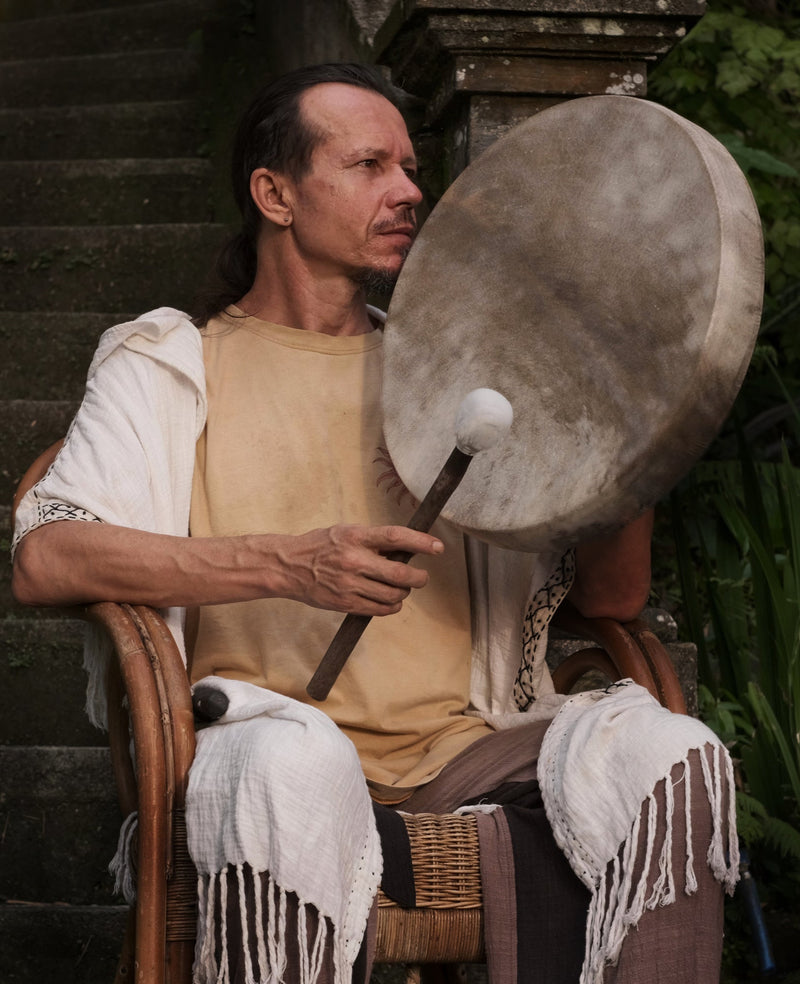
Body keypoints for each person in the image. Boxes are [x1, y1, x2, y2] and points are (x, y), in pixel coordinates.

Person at [11, 63, 737, 984]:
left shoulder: (460, 372)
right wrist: (288, 564)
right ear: (274, 194)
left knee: (673, 752)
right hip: (268, 733)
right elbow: (47, 557)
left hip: (469, 746)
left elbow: (614, 596)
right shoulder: (167, 362)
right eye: (369, 166)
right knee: (292, 763)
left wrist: (633, 419)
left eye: (409, 166)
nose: (410, 191)